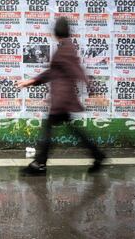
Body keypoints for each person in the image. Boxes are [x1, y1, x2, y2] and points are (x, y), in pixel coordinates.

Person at [17, 17, 106, 174]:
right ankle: (97, 154)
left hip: (61, 100)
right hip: (63, 99)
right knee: (72, 129)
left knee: (48, 129)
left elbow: (78, 71)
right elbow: (54, 72)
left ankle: (40, 164)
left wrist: (94, 91)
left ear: (55, 33)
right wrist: (31, 81)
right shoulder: (66, 47)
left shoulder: (66, 50)